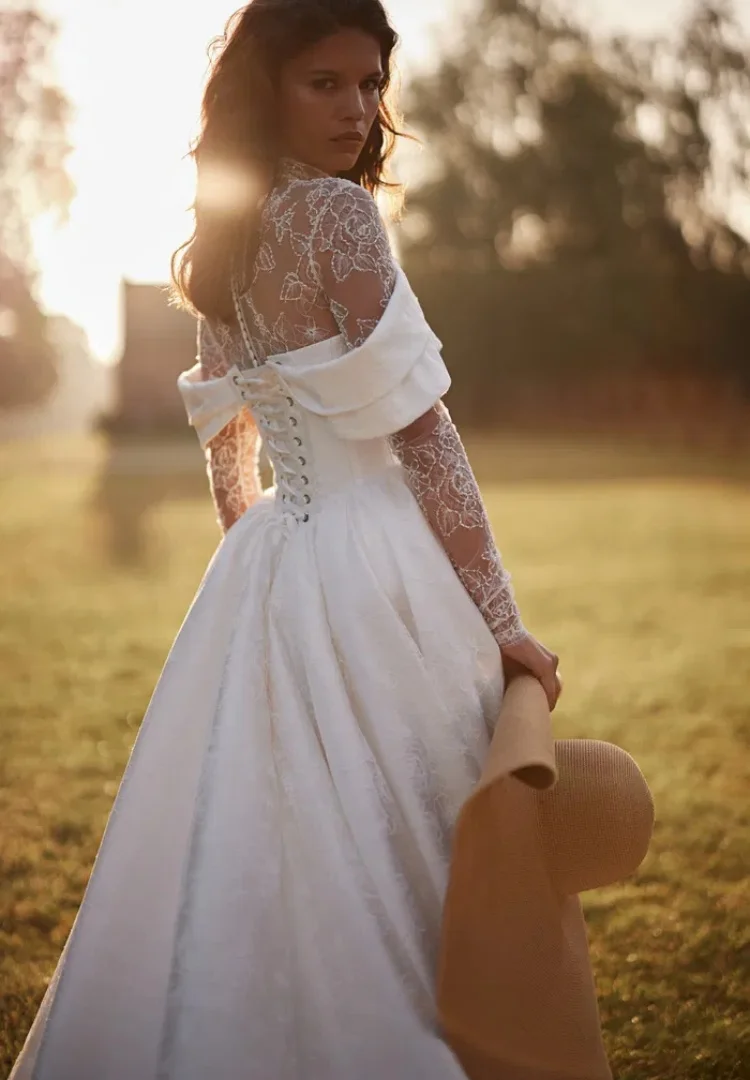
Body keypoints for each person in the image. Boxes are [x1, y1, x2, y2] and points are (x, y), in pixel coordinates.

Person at [10, 2, 561, 1078]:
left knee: (266, 831)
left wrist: (268, 556)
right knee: (407, 829)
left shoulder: (224, 234)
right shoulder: (338, 220)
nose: (358, 108)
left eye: (370, 82)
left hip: (269, 563)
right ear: (270, 86)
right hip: (368, 553)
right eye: (326, 83)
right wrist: (504, 622)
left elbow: (229, 450)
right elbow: (425, 433)